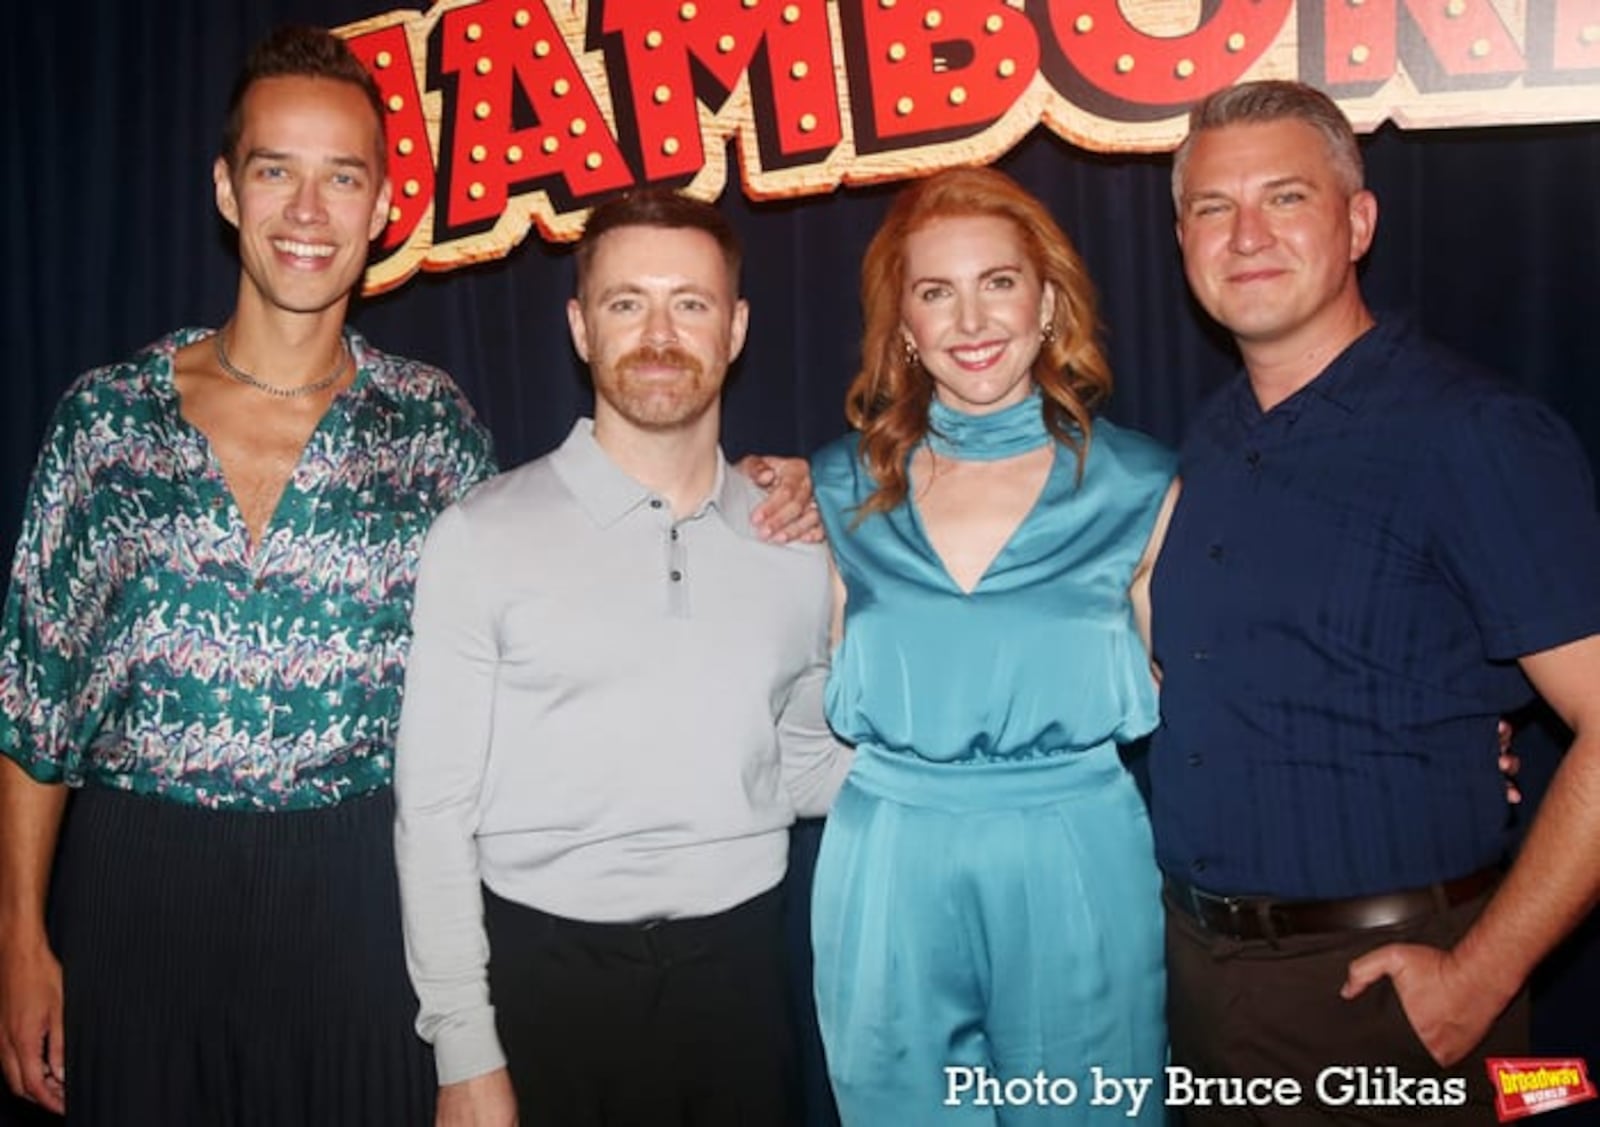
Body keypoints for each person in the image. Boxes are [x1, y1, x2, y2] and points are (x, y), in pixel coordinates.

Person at [0, 28, 815, 1126]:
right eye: (274, 170)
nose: (306, 209)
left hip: (355, 899)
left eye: (341, 176)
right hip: (141, 889)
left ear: (381, 205)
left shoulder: (430, 427)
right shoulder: (107, 419)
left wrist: (758, 486)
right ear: (225, 192)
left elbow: (578, 567)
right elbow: (34, 701)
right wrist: (19, 936)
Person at [1151, 79, 1600, 1122]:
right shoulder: (1211, 438)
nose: (1246, 234)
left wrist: (1480, 975)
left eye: (1285, 199)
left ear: (1357, 222)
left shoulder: (1472, 433)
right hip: (1206, 986)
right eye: (1214, 208)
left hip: (1391, 994)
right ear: (1182, 241)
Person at [392, 188, 852, 1127]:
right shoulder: (482, 535)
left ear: (736, 328)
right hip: (544, 982)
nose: (658, 332)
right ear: (578, 325)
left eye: (690, 302)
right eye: (625, 301)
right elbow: (433, 811)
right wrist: (464, 1049)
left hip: (745, 984)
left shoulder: (799, 541)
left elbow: (803, 770)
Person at [809, 167, 1176, 1125]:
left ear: (1048, 301)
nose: (971, 318)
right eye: (936, 291)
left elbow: (1246, 676)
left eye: (999, 282)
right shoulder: (831, 489)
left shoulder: (1145, 484)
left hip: (1077, 852)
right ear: (903, 327)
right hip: (887, 859)